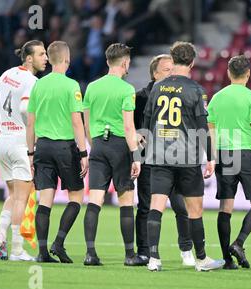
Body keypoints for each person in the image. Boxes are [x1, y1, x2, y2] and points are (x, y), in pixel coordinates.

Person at [142, 41, 224, 272]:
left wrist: (144, 154)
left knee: (156, 206)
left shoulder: (157, 87)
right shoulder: (196, 90)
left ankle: (154, 259)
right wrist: (211, 157)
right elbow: (202, 128)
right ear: (192, 62)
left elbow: (147, 124)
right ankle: (201, 259)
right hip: (186, 156)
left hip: (159, 156)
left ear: (173, 59)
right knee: (195, 210)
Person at [0, 40, 47, 261]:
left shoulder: (8, 73)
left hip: (3, 141)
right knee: (22, 197)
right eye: (41, 54)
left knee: (13, 195)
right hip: (20, 142)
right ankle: (17, 250)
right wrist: (32, 135)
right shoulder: (33, 81)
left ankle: (0, 235)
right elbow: (23, 107)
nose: (45, 57)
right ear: (29, 58)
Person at [207, 55, 251, 270]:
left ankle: (227, 260)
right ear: (248, 74)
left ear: (228, 73)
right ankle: (239, 242)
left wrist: (212, 158)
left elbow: (210, 131)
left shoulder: (217, 97)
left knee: (226, 207)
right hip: (244, 153)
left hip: (224, 155)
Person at [26, 41, 88, 263]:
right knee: (76, 196)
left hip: (42, 147)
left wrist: (30, 154)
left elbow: (30, 124)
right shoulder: (71, 86)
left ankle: (42, 252)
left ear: (50, 59)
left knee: (45, 200)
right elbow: (77, 122)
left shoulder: (38, 85)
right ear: (67, 59)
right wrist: (83, 154)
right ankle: (58, 244)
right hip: (65, 148)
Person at [82, 43, 142, 266]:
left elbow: (86, 123)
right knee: (126, 201)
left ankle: (90, 254)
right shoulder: (127, 89)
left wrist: (94, 145)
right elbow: (128, 127)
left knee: (94, 200)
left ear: (108, 62)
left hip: (98, 145)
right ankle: (129, 255)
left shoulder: (92, 87)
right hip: (120, 148)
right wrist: (135, 155)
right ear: (125, 63)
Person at [134, 54, 195, 267]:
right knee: (146, 207)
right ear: (155, 73)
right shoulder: (140, 97)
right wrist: (137, 158)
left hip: (175, 158)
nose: (172, 73)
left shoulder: (180, 94)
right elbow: (136, 130)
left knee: (181, 207)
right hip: (150, 161)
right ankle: (145, 253)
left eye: (173, 69)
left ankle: (186, 249)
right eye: (167, 70)